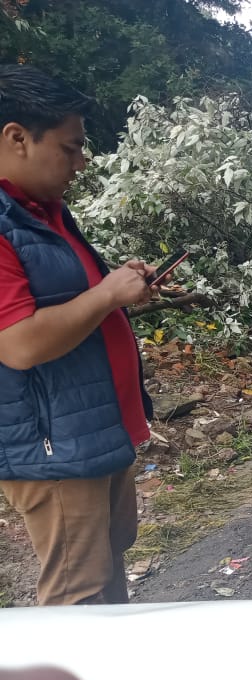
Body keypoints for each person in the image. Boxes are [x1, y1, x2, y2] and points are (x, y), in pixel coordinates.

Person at [0, 64, 157, 604]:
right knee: (77, 596)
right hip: (56, 450)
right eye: (70, 148)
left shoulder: (42, 213)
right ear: (17, 138)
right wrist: (108, 294)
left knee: (106, 580)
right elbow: (18, 343)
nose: (81, 162)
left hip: (91, 433)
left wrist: (119, 286)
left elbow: (76, 303)